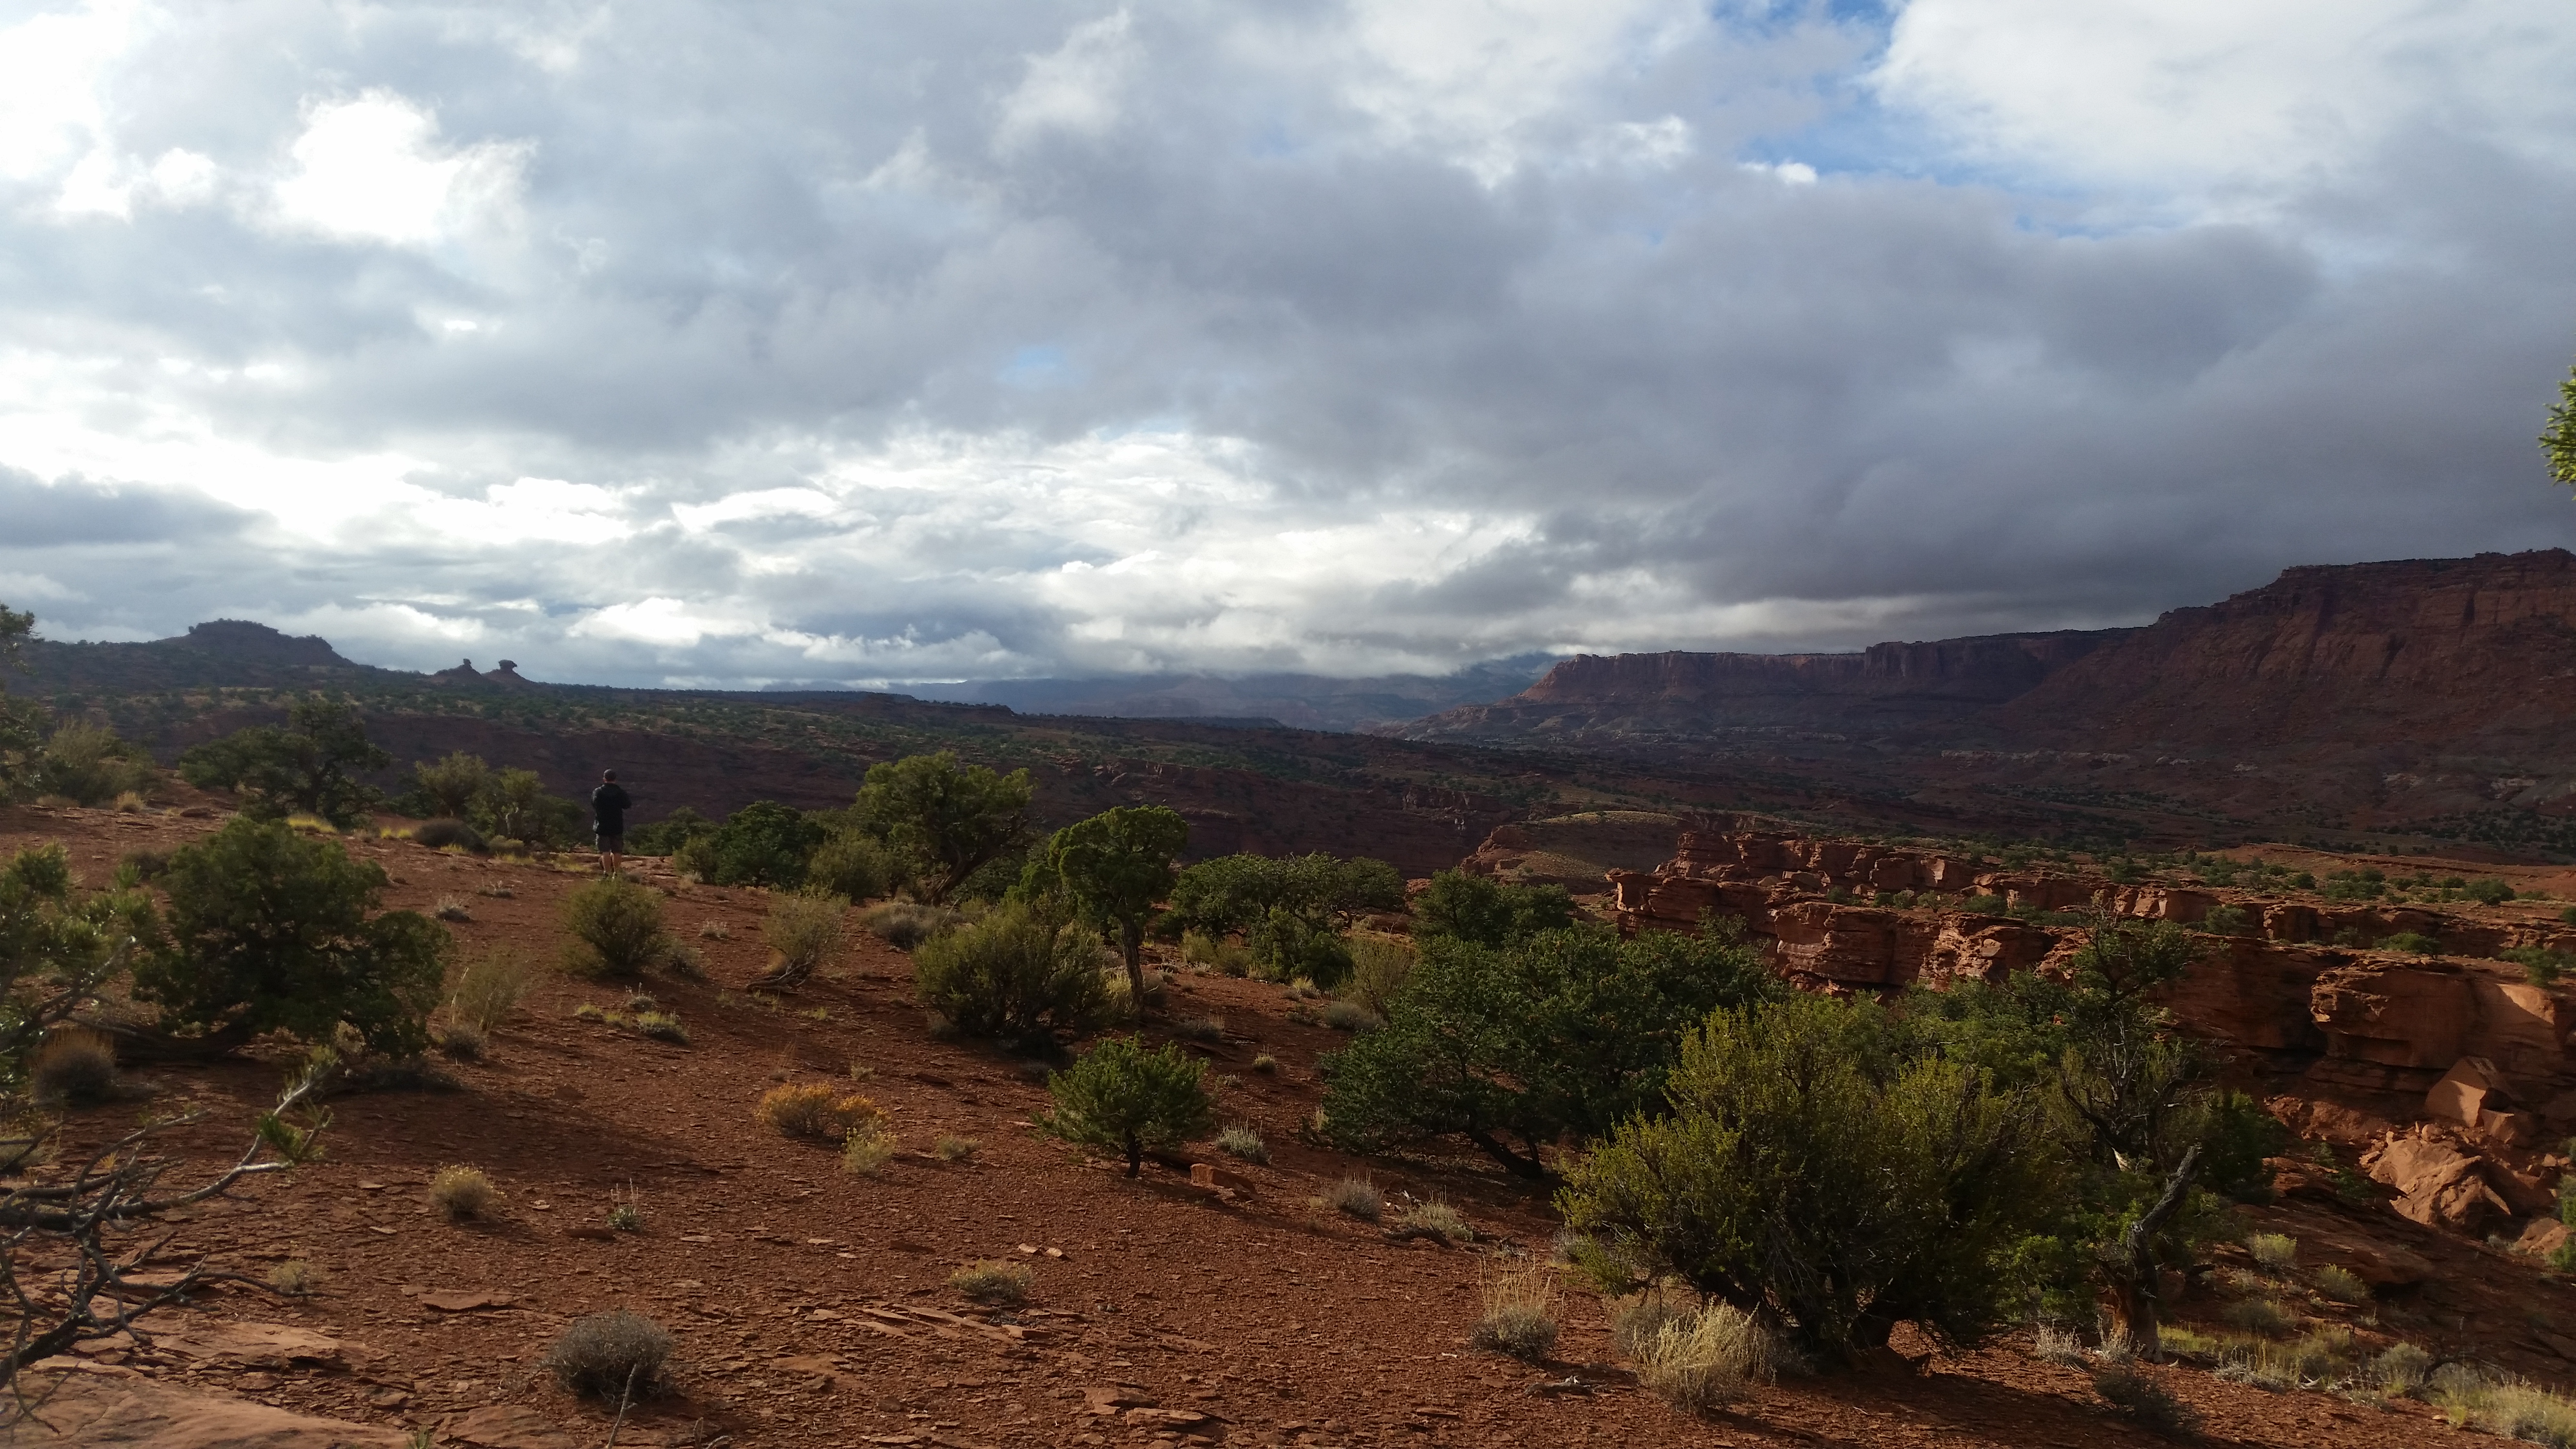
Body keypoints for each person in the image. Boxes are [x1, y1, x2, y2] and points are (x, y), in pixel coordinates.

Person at [592, 769, 632, 874]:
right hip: (617, 825)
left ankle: (607, 873)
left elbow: (594, 804)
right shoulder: (620, 792)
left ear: (604, 779)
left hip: (602, 825)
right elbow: (627, 805)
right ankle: (617, 874)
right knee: (617, 851)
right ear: (615, 779)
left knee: (605, 851)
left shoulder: (598, 792)